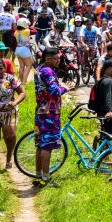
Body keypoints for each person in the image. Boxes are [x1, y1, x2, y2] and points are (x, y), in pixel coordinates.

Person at [33, 47, 68, 187]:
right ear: (48, 58)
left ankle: (38, 175)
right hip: (49, 113)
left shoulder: (40, 68)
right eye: (56, 58)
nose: (59, 61)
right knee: (47, 146)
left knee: (40, 145)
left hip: (40, 111)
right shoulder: (47, 71)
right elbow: (54, 91)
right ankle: (46, 179)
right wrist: (66, 88)